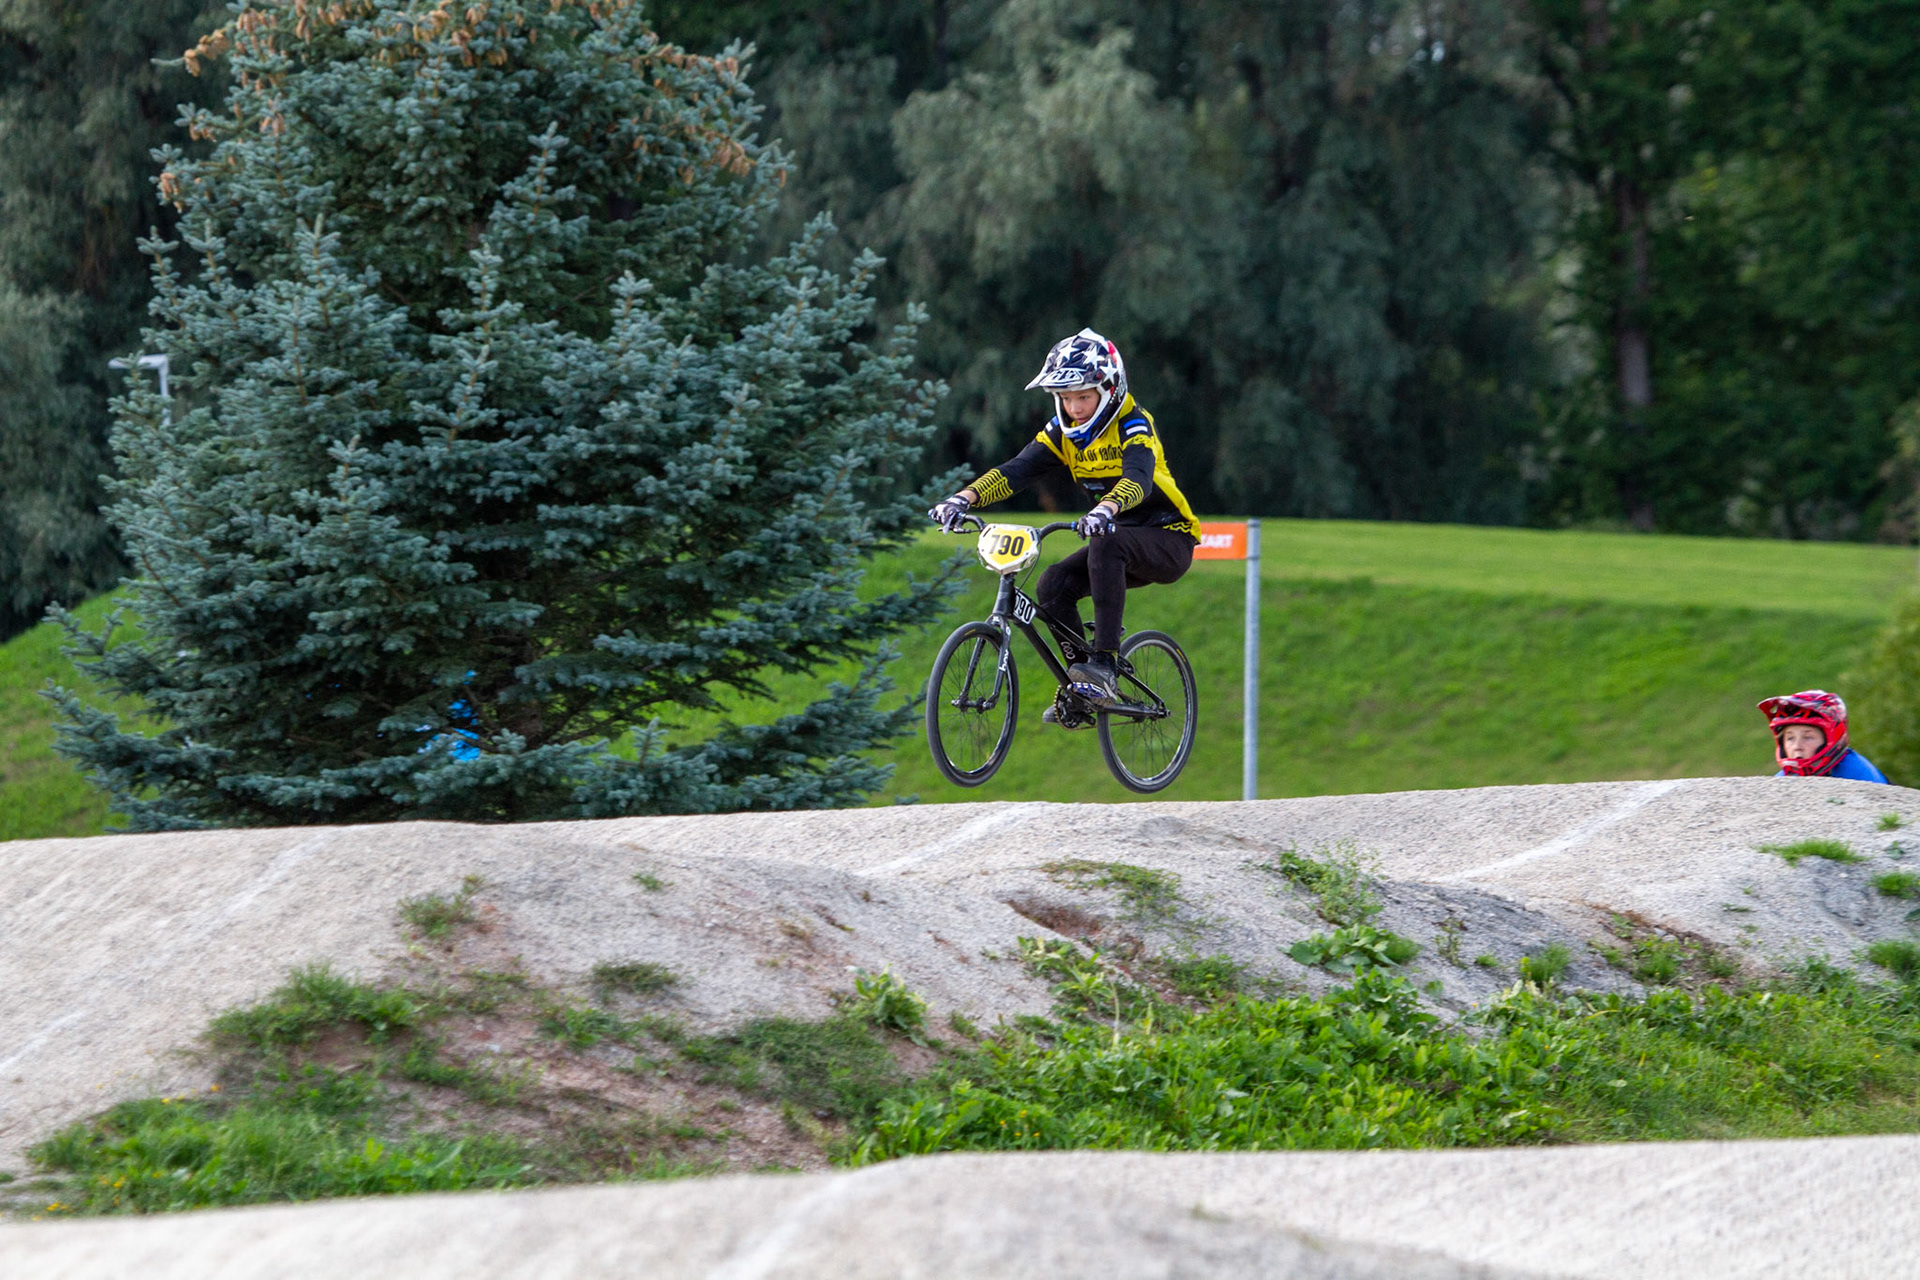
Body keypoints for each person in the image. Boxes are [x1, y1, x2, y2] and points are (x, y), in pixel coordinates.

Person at [928, 328, 1199, 716]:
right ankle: (1082, 687)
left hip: (1168, 536)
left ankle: (1103, 664)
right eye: (1066, 398)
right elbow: (1016, 471)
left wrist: (1106, 508)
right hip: (1114, 538)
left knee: (1107, 541)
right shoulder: (1063, 433)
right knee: (1052, 583)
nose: (1074, 407)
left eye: (1083, 397)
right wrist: (963, 498)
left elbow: (1138, 478)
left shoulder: (1133, 423)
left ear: (1109, 390)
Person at [1758, 690, 1889, 783]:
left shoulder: (1858, 774)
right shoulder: (1783, 778)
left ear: (1831, 739)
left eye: (1808, 737)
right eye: (1790, 738)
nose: (1797, 746)